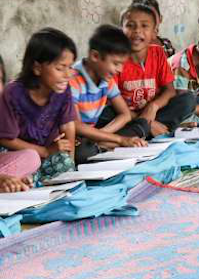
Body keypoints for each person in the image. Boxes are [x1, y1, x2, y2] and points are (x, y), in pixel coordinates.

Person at [0, 28, 77, 183]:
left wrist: (72, 165)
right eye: (60, 68)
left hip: (46, 153)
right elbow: (6, 139)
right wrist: (44, 151)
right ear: (37, 68)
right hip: (17, 153)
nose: (68, 75)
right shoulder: (13, 93)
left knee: (65, 163)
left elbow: (68, 126)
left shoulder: (62, 89)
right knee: (30, 158)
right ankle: (27, 181)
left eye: (70, 67)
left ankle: (32, 181)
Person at [71, 25, 148, 164]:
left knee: (143, 125)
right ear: (95, 56)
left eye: (122, 64)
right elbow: (77, 126)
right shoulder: (73, 80)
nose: (120, 70)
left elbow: (125, 114)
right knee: (82, 153)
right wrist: (119, 139)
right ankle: (105, 146)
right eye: (116, 63)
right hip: (75, 140)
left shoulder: (107, 80)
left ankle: (102, 145)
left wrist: (103, 135)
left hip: (94, 135)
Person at [119, 3, 195, 137]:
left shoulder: (158, 53)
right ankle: (153, 129)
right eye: (130, 25)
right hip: (126, 115)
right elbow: (114, 102)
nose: (137, 30)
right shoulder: (115, 59)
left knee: (188, 100)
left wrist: (153, 106)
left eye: (144, 26)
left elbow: (169, 90)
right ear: (120, 31)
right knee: (106, 114)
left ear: (155, 32)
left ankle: (145, 131)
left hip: (155, 113)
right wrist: (147, 122)